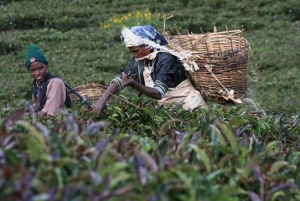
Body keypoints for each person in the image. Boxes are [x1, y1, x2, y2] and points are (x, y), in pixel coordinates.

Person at [92, 25, 207, 114]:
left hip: (191, 106)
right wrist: (103, 100)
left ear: (149, 45)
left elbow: (158, 93)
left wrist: (134, 84)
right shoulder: (139, 60)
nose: (135, 55)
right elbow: (121, 80)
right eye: (132, 52)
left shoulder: (166, 59)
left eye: (136, 51)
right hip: (170, 110)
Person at [25, 44, 72, 116]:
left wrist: (25, 116)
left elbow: (49, 114)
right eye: (33, 70)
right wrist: (33, 108)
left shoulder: (55, 83)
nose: (37, 73)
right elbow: (43, 104)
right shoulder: (37, 84)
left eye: (40, 68)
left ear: (46, 66)